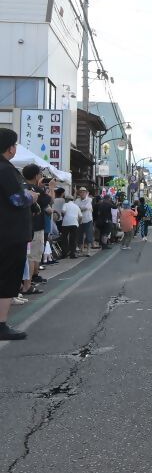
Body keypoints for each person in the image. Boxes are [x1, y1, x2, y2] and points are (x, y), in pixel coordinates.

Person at [0, 129, 37, 340]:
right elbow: (17, 199)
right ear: (9, 147)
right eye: (14, 145)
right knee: (6, 277)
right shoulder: (6, 170)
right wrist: (30, 196)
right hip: (9, 233)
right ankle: (1, 324)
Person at [22, 164, 52, 286]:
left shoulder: (21, 187)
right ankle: (29, 282)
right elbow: (48, 201)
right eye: (40, 174)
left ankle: (28, 281)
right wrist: (50, 188)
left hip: (24, 227)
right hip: (36, 227)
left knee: (29, 255)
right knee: (34, 255)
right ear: (36, 176)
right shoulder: (36, 190)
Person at [74, 187, 94, 254]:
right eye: (80, 192)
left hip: (88, 219)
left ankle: (88, 251)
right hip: (79, 220)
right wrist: (80, 209)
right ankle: (81, 250)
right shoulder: (77, 200)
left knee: (89, 235)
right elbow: (76, 208)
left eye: (83, 192)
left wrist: (80, 208)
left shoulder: (89, 200)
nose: (82, 193)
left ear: (86, 193)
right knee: (79, 235)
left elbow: (85, 207)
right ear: (79, 193)